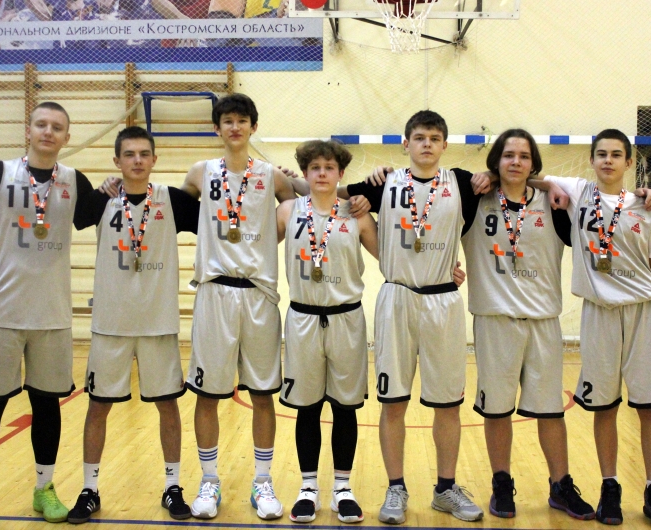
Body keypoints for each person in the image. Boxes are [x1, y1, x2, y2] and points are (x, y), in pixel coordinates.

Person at [0, 102, 95, 530]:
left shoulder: (75, 181)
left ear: (67, 137)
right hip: (0, 313)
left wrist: (110, 188)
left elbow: (107, 220)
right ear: (28, 130)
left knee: (47, 406)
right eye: (41, 124)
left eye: (57, 127)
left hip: (52, 315)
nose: (49, 132)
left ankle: (44, 489)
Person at [344, 110, 489, 524]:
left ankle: (445, 489)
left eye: (435, 138)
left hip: (443, 301)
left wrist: (491, 176)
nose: (427, 144)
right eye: (420, 137)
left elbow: (514, 178)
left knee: (448, 405)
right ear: (405, 144)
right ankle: (396, 489)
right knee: (394, 403)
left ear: (445, 145)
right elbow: (323, 190)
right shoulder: (383, 183)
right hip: (397, 299)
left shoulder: (463, 183)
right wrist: (284, 177)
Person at [65, 126, 200, 524]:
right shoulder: (101, 201)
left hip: (159, 323)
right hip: (111, 324)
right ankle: (89, 489)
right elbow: (70, 218)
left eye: (144, 154)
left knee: (167, 406)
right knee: (98, 407)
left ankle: (172, 486)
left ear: (155, 159)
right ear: (117, 161)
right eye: (129, 154)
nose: (137, 160)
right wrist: (98, 191)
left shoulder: (173, 200)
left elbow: (221, 220)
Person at [460, 129, 595, 520]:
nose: (515, 162)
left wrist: (548, 183)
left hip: (543, 321)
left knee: (550, 411)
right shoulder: (475, 199)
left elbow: (601, 199)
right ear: (496, 161)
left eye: (523, 156)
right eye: (508, 155)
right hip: (494, 320)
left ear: (533, 163)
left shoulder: (555, 202)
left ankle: (561, 486)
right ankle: (501, 484)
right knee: (497, 411)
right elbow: (438, 185)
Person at [180, 93, 297, 520]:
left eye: (242, 120)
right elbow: (169, 209)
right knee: (208, 394)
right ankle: (209, 480)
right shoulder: (200, 172)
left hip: (259, 294)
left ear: (253, 127)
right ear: (217, 128)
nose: (234, 127)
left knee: (263, 394)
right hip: (215, 292)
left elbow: (306, 205)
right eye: (227, 121)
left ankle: (262, 482)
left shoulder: (272, 176)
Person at [534, 129, 651, 525]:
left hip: (644, 312)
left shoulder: (644, 204)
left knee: (648, 409)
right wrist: (551, 186)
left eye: (616, 155)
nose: (608, 160)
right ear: (591, 159)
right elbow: (530, 177)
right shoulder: (579, 191)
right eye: (601, 154)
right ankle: (610, 487)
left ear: (629, 163)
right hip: (599, 313)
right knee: (606, 406)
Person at [276, 140, 379, 524]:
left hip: (347, 318)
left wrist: (445, 270)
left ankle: (342, 488)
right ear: (305, 173)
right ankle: (307, 488)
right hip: (302, 317)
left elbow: (393, 258)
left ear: (341, 174)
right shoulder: (288, 210)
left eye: (329, 167)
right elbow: (251, 247)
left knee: (344, 407)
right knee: (307, 407)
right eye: (315, 167)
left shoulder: (357, 214)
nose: (322, 173)